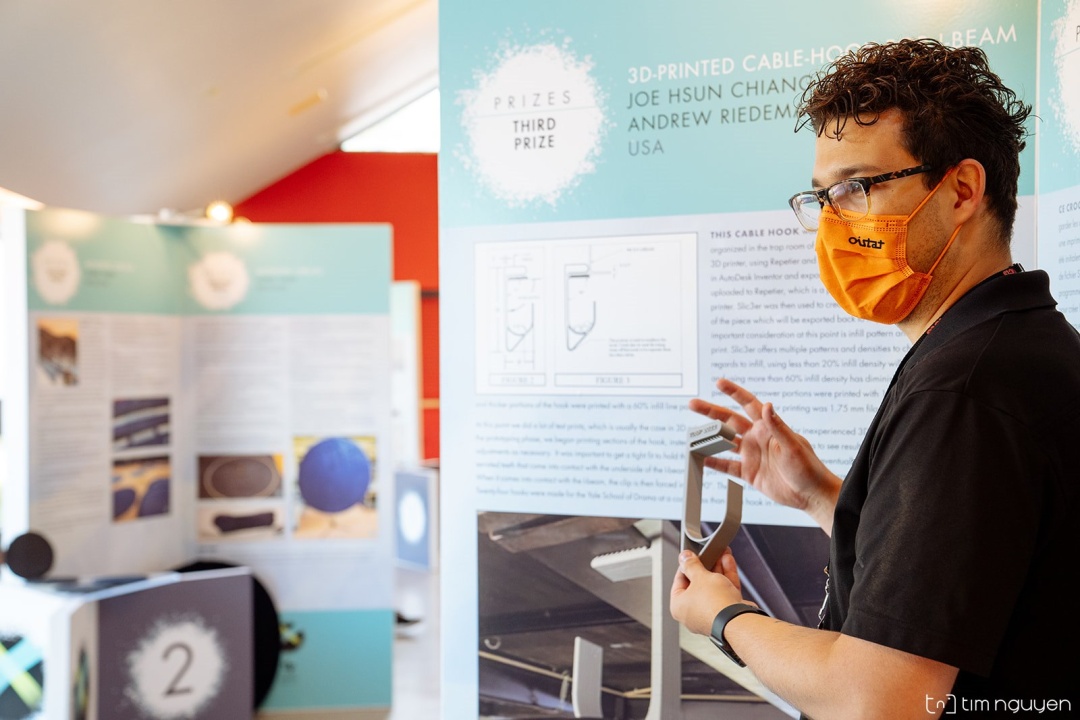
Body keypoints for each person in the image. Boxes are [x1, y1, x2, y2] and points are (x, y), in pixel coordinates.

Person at [670, 38, 1080, 718]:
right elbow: (966, 566)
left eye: (856, 188)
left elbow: (879, 699)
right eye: (822, 196)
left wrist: (724, 617)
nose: (832, 223)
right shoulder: (1010, 345)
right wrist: (822, 496)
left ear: (962, 190)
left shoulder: (967, 388)